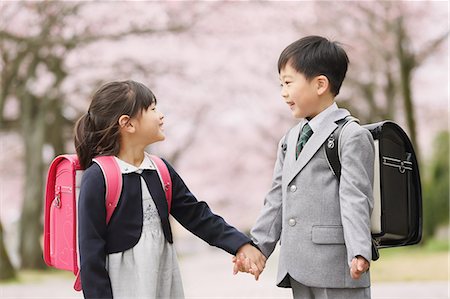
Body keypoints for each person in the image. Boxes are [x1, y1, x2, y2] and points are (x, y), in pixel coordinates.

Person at [75, 80, 265, 299]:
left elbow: (197, 215)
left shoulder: (160, 170)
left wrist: (240, 244)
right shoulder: (99, 176)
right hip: (123, 288)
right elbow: (90, 254)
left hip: (163, 283)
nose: (161, 115)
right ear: (128, 124)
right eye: (153, 109)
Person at [233, 36, 375, 299]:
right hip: (297, 266)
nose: (283, 92)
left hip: (337, 267)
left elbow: (356, 197)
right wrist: (259, 247)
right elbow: (277, 197)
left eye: (288, 83)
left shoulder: (350, 135)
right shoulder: (289, 139)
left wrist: (359, 250)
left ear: (320, 84)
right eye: (281, 84)